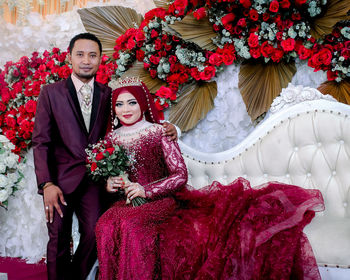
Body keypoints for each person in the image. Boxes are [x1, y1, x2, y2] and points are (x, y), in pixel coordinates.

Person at [95, 77, 325, 280]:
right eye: (119, 104)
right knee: (104, 224)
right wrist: (111, 184)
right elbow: (115, 176)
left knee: (131, 226)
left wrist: (148, 191)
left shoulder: (159, 132)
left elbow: (180, 175)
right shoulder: (112, 139)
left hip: (160, 199)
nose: (125, 109)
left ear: (143, 104)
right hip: (128, 203)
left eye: (131, 102)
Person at [32, 33, 178, 280]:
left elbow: (132, 122)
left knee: (94, 233)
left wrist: (172, 129)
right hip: (60, 181)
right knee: (58, 237)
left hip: (95, 181)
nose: (86, 60)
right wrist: (47, 184)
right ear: (69, 57)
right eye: (80, 54)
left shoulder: (109, 94)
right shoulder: (50, 93)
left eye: (92, 55)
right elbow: (41, 142)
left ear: (101, 59)